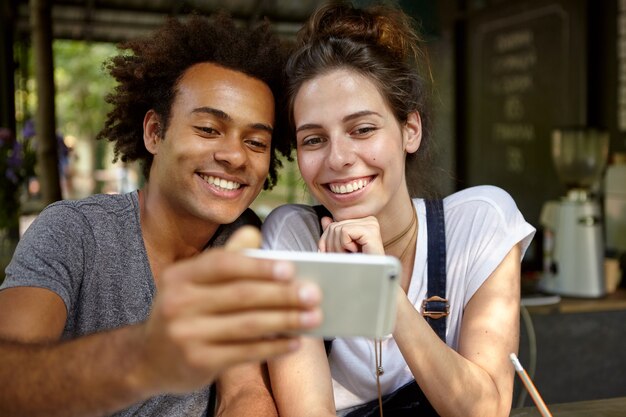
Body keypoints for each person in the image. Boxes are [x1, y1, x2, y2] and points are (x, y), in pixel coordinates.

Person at [0, 13, 323, 417]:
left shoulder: (242, 237)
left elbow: (243, 392)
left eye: (256, 142)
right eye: (208, 129)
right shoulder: (73, 231)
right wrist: (145, 357)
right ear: (155, 132)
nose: (235, 155)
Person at [260, 2, 536, 417]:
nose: (338, 158)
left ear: (410, 130)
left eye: (363, 129)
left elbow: (486, 410)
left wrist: (384, 291)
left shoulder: (480, 221)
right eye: (314, 139)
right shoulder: (293, 240)